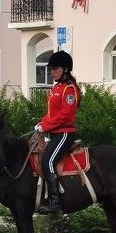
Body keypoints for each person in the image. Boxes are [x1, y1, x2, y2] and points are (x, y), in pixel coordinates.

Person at [36, 50, 80, 214]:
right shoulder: (57, 88)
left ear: (65, 69)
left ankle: (55, 204)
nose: (51, 71)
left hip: (65, 133)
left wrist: (46, 126)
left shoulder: (69, 89)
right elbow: (52, 113)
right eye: (51, 69)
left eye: (55, 68)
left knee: (47, 160)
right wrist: (42, 123)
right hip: (55, 133)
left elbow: (65, 114)